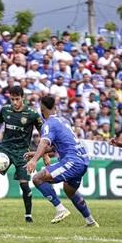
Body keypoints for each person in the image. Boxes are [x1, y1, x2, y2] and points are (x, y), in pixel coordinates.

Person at [24, 95, 98, 226]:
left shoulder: (48, 124)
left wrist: (34, 160)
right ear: (55, 107)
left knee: (37, 178)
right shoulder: (63, 120)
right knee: (70, 190)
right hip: (83, 159)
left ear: (42, 108)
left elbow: (44, 142)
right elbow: (56, 145)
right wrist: (36, 153)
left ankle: (60, 209)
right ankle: (90, 221)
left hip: (72, 161)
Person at [0, 85, 44, 223]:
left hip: (22, 152)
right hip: (6, 148)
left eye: (17, 99)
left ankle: (28, 215)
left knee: (24, 184)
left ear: (23, 98)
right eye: (12, 99)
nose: (14, 102)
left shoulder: (32, 114)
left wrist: (44, 154)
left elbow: (43, 134)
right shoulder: (5, 110)